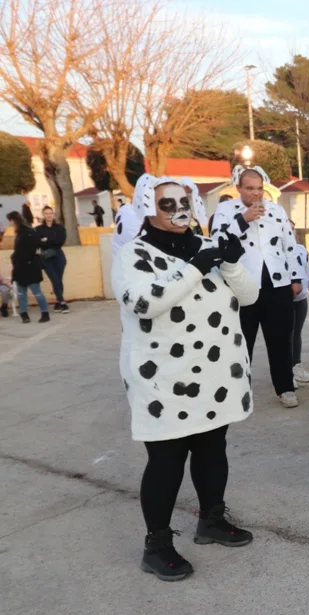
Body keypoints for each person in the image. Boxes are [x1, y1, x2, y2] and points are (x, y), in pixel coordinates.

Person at [111, 178, 258, 581]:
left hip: (215, 374)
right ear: (149, 208)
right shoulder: (133, 254)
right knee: (167, 460)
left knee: (213, 449)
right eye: (167, 203)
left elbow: (249, 296)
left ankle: (211, 519)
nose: (178, 209)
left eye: (184, 201)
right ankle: (157, 545)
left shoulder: (206, 245)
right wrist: (196, 268)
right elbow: (144, 302)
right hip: (163, 379)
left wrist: (231, 263)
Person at [211, 166, 303, 408]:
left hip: (277, 284)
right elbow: (217, 242)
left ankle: (285, 388)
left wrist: (296, 279)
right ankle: (238, 390)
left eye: (259, 188)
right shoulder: (226, 211)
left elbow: (290, 245)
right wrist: (243, 220)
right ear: (239, 188)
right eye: (250, 188)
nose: (256, 193)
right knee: (241, 342)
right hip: (242, 286)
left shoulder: (276, 210)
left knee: (281, 340)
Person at [8, 212, 50, 323]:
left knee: (36, 292)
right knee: (21, 293)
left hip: (30, 267)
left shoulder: (28, 232)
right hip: (20, 267)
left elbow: (33, 248)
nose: (10, 223)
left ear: (14, 220)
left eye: (10, 220)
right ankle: (24, 314)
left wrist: (20, 258)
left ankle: (45, 313)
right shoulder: (20, 233)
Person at [290, 239, 309, 386]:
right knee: (285, 336)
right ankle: (286, 372)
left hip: (300, 300)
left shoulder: (301, 250)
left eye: (293, 228)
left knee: (296, 334)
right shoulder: (275, 249)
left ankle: (296, 365)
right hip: (284, 299)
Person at [35, 206, 69, 313]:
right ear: (43, 215)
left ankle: (58, 302)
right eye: (46, 213)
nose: (49, 215)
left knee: (58, 279)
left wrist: (46, 240)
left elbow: (60, 241)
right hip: (46, 257)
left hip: (59, 256)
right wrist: (50, 241)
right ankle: (62, 302)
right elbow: (37, 243)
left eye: (50, 213)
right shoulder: (38, 229)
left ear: (53, 214)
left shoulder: (59, 228)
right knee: (55, 279)